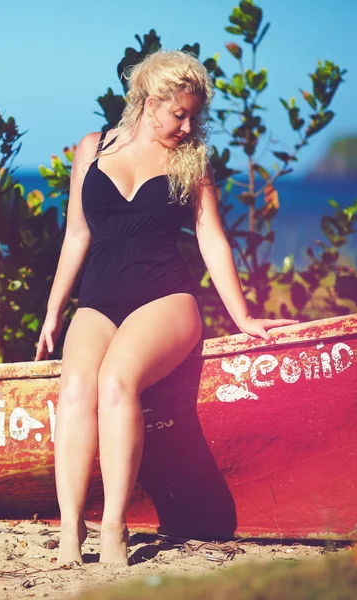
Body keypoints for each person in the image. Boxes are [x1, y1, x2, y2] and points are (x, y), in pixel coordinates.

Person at [34, 49, 297, 565]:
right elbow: (77, 235)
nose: (188, 125)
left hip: (166, 296)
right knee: (76, 387)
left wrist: (242, 316)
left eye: (195, 115)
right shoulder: (93, 148)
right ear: (150, 102)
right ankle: (71, 528)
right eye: (180, 113)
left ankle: (113, 526)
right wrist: (52, 312)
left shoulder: (190, 159)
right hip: (99, 299)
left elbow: (211, 238)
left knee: (116, 382)